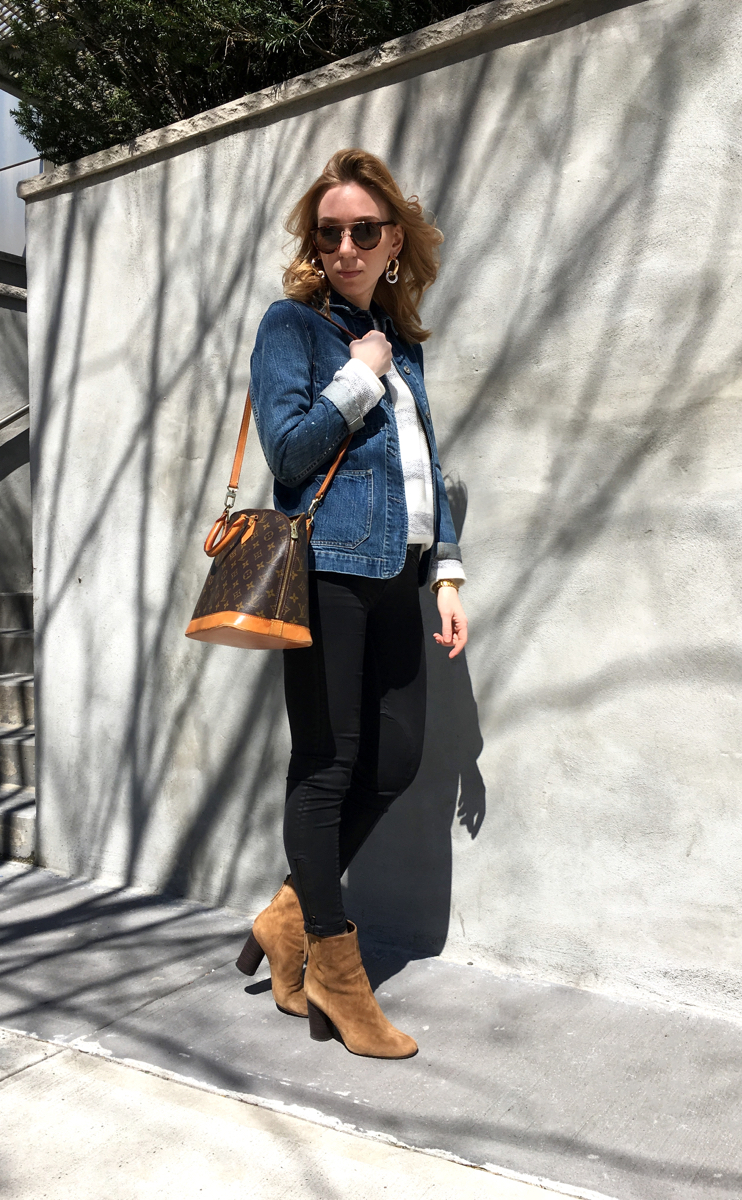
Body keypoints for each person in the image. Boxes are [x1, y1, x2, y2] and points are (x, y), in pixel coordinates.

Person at [235, 148, 468, 1059]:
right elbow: (289, 454)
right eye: (328, 231)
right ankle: (336, 965)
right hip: (326, 570)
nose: (344, 245)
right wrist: (357, 374)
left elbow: (426, 473)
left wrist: (447, 571)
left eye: (362, 230)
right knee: (329, 766)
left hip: (399, 575)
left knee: (398, 757)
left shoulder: (401, 343)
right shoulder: (292, 327)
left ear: (394, 241)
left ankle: (289, 917)